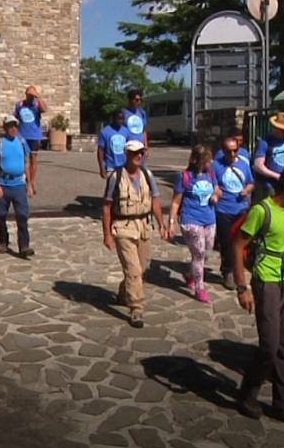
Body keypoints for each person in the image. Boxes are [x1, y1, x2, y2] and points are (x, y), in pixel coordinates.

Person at [233, 166, 284, 428]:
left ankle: (283, 404)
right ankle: (248, 392)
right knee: (269, 345)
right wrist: (242, 288)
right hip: (266, 281)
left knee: (283, 348)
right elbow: (238, 246)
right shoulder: (261, 211)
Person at [102, 140, 168, 328]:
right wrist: (107, 234)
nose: (138, 156)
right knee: (133, 270)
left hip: (144, 226)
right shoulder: (116, 177)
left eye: (141, 153)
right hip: (123, 227)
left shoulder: (147, 175)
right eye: (134, 153)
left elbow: (155, 200)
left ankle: (124, 292)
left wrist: (161, 224)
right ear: (127, 155)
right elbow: (106, 207)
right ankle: (136, 308)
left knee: (141, 268)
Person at [168, 144, 221, 303]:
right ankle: (200, 288)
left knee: (207, 252)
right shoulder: (184, 177)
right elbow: (176, 202)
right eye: (208, 159)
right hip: (191, 220)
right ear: (199, 160)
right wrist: (171, 222)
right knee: (198, 253)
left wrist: (215, 196)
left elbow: (217, 189)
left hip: (209, 219)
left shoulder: (210, 174)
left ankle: (191, 274)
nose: (211, 162)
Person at [0, 115, 34, 257]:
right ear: (5, 127)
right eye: (10, 126)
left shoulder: (22, 142)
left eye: (15, 126)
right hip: (3, 184)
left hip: (19, 185)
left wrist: (30, 184)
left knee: (22, 216)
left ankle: (24, 246)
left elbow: (27, 162)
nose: (13, 129)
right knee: (1, 215)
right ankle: (3, 241)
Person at [212, 135, 254, 289]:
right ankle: (228, 271)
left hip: (240, 208)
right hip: (223, 209)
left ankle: (239, 269)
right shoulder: (216, 166)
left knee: (241, 241)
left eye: (235, 150)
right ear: (223, 151)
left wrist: (247, 190)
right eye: (228, 151)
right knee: (226, 242)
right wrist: (216, 190)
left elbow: (251, 182)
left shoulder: (243, 165)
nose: (232, 154)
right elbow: (211, 183)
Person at [14, 85, 48, 195]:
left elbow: (44, 109)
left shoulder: (36, 104)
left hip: (34, 136)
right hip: (23, 135)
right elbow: (16, 118)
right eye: (29, 95)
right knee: (25, 160)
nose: (30, 97)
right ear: (26, 94)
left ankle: (32, 182)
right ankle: (28, 182)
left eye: (32, 95)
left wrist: (38, 96)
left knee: (33, 159)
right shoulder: (20, 105)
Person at [253, 111, 284, 195]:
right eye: (281, 130)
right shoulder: (264, 142)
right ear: (275, 127)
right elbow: (258, 166)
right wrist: (276, 176)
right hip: (268, 184)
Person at [96, 109, 129, 179]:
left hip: (124, 166)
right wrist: (102, 167)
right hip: (110, 166)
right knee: (112, 185)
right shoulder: (105, 132)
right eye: (119, 119)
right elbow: (100, 150)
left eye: (123, 119)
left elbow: (128, 148)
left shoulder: (126, 131)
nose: (121, 121)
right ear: (113, 118)